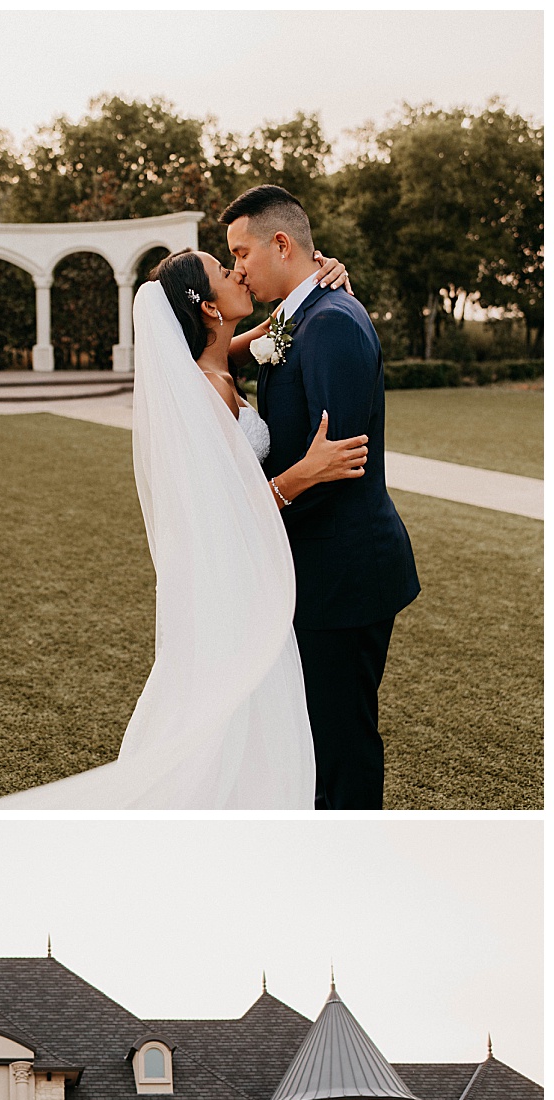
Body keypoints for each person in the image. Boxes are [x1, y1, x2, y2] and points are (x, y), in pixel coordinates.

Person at [0, 247, 366, 810]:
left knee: (234, 709)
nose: (238, 271)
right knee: (240, 709)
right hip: (234, 578)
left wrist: (320, 276)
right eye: (224, 269)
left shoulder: (208, 370)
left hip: (233, 574)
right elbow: (226, 506)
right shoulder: (207, 391)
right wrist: (304, 475)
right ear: (208, 306)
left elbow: (268, 328)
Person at [223, 184, 420, 809]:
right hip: (313, 569)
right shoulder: (296, 316)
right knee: (315, 741)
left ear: (281, 244)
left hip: (343, 574)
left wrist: (261, 506)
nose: (238, 269)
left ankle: (355, 873)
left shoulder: (331, 322)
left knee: (342, 746)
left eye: (242, 252)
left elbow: (338, 464)